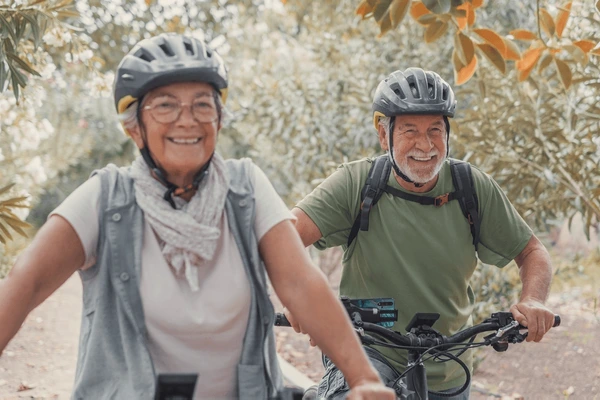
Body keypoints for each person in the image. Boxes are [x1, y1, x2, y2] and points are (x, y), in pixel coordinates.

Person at [0, 33, 396, 400]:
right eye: (166, 105)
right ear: (134, 127)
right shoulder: (106, 199)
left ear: (219, 120)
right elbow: (27, 282)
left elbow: (301, 284)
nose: (186, 119)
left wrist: (363, 379)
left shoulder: (246, 189)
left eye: (202, 104)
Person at [285, 67, 556, 399]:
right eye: (410, 131)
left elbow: (532, 252)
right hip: (369, 351)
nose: (425, 145)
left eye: (435, 130)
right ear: (385, 135)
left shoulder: (470, 187)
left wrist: (532, 300)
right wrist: (296, 297)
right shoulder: (358, 183)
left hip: (449, 361)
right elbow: (284, 237)